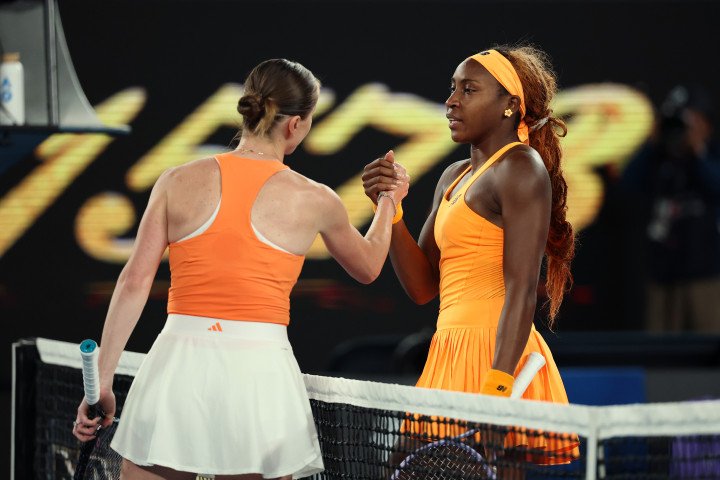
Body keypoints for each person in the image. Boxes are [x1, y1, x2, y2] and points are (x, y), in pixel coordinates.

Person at [71, 58, 409, 480]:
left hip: (178, 365)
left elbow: (134, 281)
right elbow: (368, 266)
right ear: (297, 124)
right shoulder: (316, 198)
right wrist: (390, 200)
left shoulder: (176, 180)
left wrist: (102, 382)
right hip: (259, 375)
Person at [363, 45, 578, 464]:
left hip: (499, 359)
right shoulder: (453, 176)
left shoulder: (521, 168)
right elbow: (423, 287)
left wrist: (498, 392)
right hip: (447, 353)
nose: (451, 101)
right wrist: (390, 210)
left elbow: (522, 291)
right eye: (452, 88)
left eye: (468, 89)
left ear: (509, 107)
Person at [621, 85, 720, 332]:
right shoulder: (657, 158)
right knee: (660, 349)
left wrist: (697, 153)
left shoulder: (713, 155)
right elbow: (626, 188)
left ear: (706, 124)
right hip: (662, 273)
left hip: (705, 274)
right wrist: (652, 142)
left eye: (692, 120)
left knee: (708, 345)